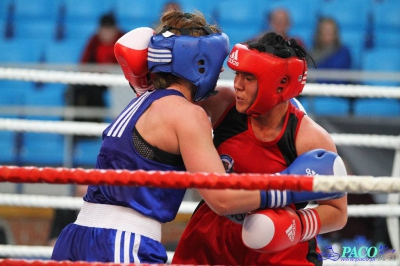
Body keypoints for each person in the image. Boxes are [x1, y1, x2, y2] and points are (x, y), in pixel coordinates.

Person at [50, 10, 264, 264]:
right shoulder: (187, 114)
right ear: (198, 60)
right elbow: (222, 199)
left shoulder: (143, 100)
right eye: (216, 60)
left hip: (78, 235)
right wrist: (289, 187)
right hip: (122, 241)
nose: (219, 71)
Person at [172, 32, 348, 265]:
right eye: (237, 74)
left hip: (277, 241)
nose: (237, 85)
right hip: (212, 231)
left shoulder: (310, 138)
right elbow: (171, 100)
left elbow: (337, 212)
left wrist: (298, 225)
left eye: (249, 78)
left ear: (279, 83)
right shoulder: (224, 103)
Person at [65, 12, 125, 126]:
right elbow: (83, 65)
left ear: (116, 29)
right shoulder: (94, 41)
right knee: (77, 90)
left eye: (110, 29)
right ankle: (88, 126)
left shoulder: (124, 39)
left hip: (120, 80)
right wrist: (97, 71)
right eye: (104, 29)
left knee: (124, 88)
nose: (107, 33)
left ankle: (121, 124)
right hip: (98, 80)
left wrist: (112, 71)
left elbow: (132, 65)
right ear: (99, 30)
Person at [307, 17, 352, 84]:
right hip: (313, 90)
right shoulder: (311, 53)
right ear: (319, 33)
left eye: (330, 30)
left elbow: (337, 75)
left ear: (336, 33)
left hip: (336, 90)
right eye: (324, 30)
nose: (327, 33)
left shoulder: (343, 52)